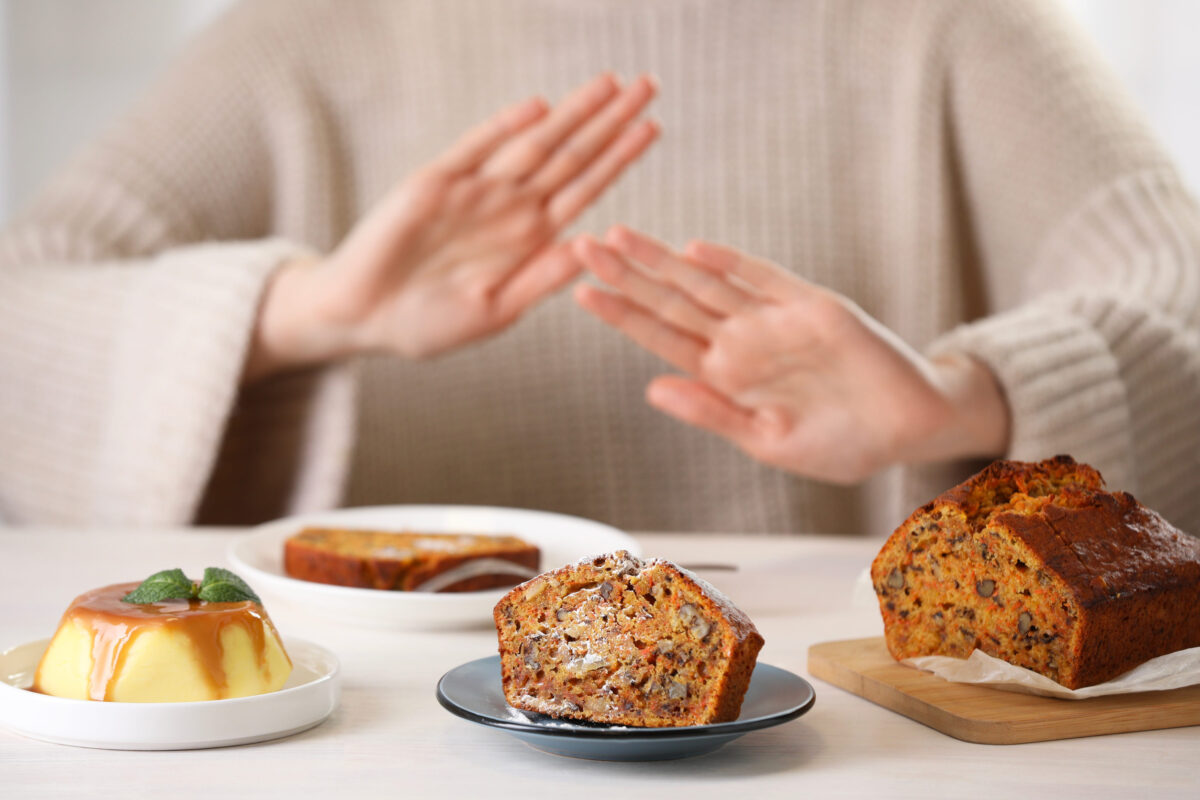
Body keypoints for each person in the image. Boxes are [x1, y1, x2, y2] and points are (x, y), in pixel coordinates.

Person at [1, 0, 1198, 537]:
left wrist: (965, 395)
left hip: (852, 749)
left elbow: (1178, 291)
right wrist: (302, 309)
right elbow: (22, 307)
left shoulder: (954, 26)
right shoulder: (299, 36)